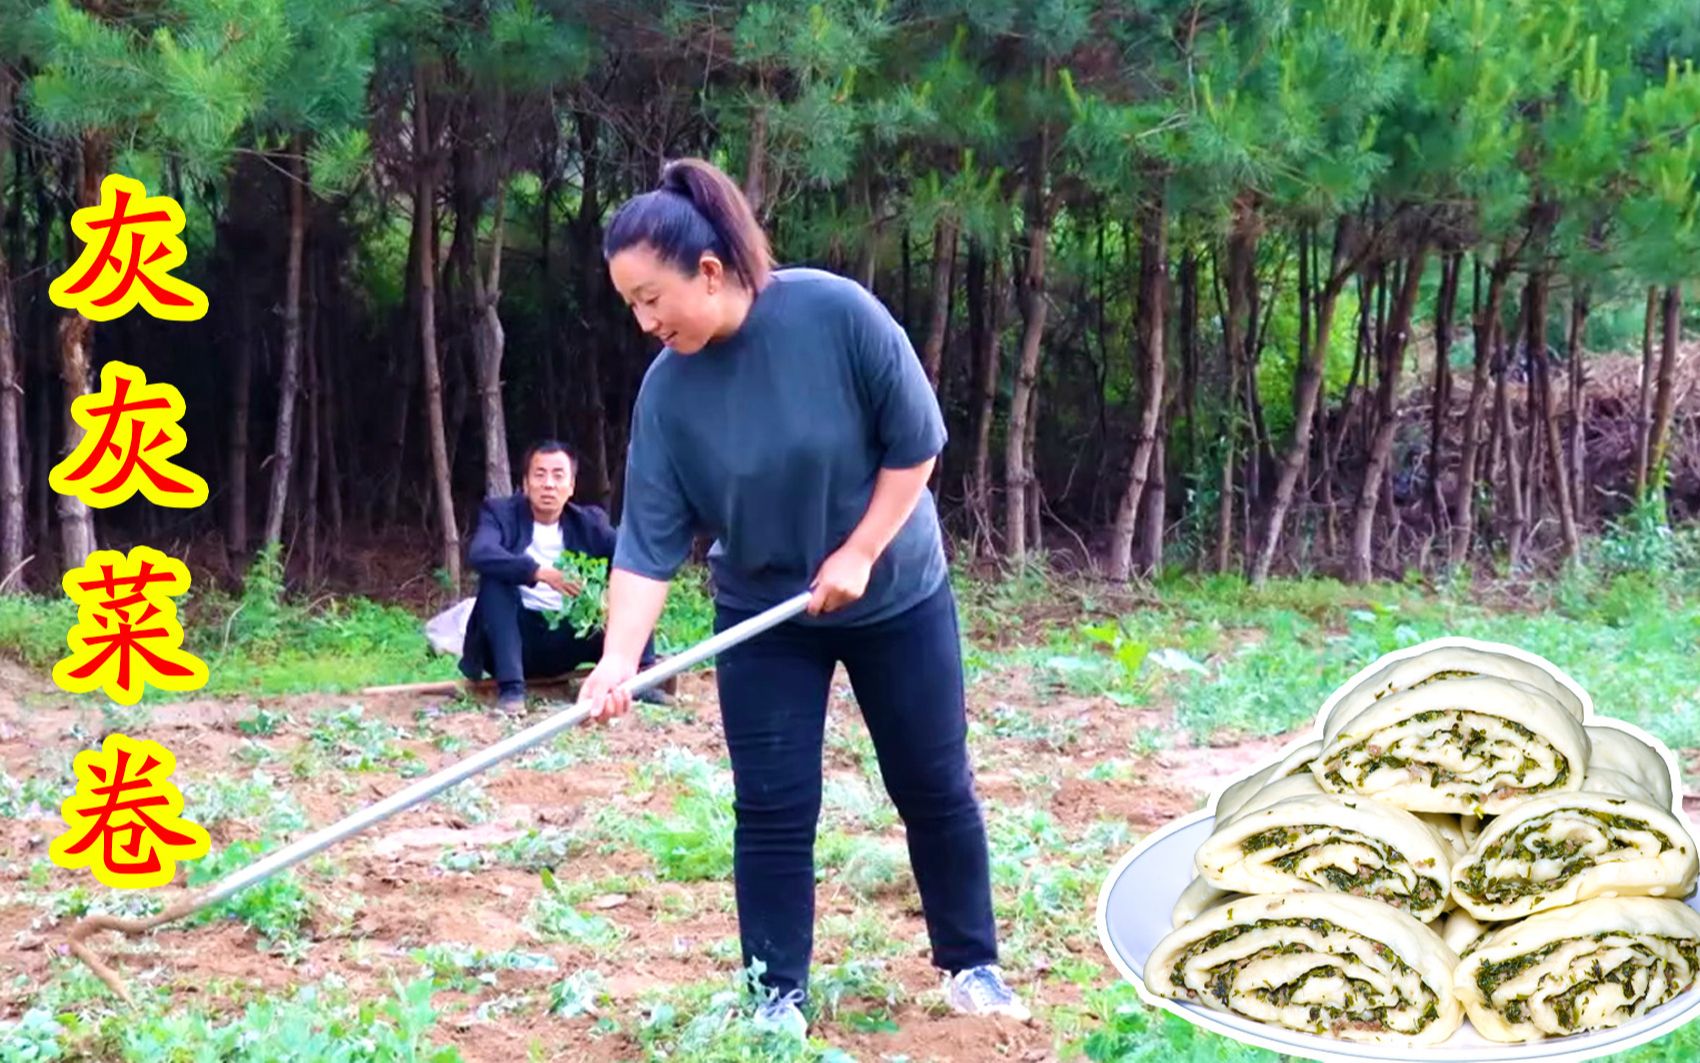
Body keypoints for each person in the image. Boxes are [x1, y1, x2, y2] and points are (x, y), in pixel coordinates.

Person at [575, 157, 1028, 1039]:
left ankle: (973, 964)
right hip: (765, 614)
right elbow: (648, 543)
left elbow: (916, 444)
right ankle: (775, 993)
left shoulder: (836, 313)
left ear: (708, 271)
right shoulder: (667, 394)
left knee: (932, 782)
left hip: (896, 591)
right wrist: (618, 661)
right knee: (774, 802)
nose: (644, 321)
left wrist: (860, 550)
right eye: (630, 303)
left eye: (651, 297)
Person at [458, 440, 661, 714]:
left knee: (631, 580)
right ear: (526, 484)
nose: (549, 485)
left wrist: (605, 598)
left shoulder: (589, 523)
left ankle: (643, 675)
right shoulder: (500, 513)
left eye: (558, 476)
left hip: (570, 638)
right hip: (515, 641)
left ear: (571, 486)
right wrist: (539, 573)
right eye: (539, 475)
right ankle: (512, 691)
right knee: (496, 581)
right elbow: (481, 553)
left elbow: (632, 561)